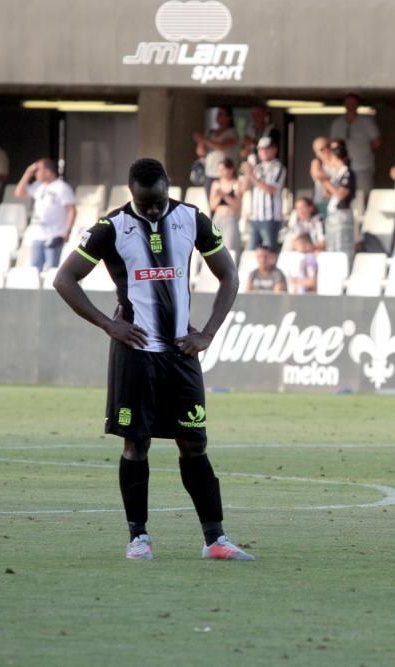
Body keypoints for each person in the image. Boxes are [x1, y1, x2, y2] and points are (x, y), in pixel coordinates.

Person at [52, 158, 254, 561]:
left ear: (167, 190)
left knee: (194, 443)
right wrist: (109, 326)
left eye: (159, 201)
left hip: (181, 354)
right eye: (145, 203)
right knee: (136, 445)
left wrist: (208, 333)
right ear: (132, 196)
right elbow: (64, 279)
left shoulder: (192, 219)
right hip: (135, 356)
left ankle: (215, 538)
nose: (153, 209)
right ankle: (138, 538)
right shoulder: (111, 228)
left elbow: (229, 275)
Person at [14, 158, 77, 273]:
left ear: (48, 171)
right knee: (34, 270)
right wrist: (28, 173)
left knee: (52, 270)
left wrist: (67, 231)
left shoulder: (62, 187)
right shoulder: (38, 186)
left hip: (55, 234)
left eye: (38, 170)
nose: (36, 173)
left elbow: (71, 210)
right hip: (38, 234)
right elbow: (19, 192)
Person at [329, 93, 381, 200]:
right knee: (343, 196)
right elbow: (332, 143)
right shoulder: (337, 123)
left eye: (353, 103)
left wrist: (365, 151)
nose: (351, 106)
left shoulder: (366, 122)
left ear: (358, 105)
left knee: (363, 196)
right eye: (348, 103)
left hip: (363, 166)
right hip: (342, 168)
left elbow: (377, 141)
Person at [240, 136, 286, 250]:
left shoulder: (278, 167)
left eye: (267, 148)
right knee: (251, 251)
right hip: (255, 216)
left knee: (270, 250)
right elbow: (244, 188)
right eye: (260, 149)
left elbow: (269, 189)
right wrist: (247, 172)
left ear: (275, 150)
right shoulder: (257, 167)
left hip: (270, 217)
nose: (263, 151)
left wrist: (250, 175)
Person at [321, 140, 357, 261]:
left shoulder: (347, 173)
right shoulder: (336, 174)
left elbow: (341, 194)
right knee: (332, 246)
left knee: (342, 246)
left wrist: (326, 182)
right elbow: (326, 194)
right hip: (332, 212)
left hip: (342, 214)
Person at [193, 106, 238, 197]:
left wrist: (204, 139)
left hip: (225, 174)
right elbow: (201, 153)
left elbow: (222, 147)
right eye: (218, 115)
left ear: (229, 117)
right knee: (210, 202)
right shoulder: (211, 133)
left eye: (221, 114)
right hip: (210, 173)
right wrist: (200, 142)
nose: (218, 117)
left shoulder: (232, 132)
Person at [208, 158, 243, 254]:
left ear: (231, 169)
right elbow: (212, 206)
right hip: (217, 217)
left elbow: (236, 204)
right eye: (220, 170)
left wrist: (223, 194)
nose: (221, 172)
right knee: (214, 245)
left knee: (229, 246)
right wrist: (219, 195)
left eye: (223, 169)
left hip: (230, 218)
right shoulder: (216, 184)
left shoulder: (236, 184)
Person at [309, 136, 332, 215]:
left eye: (328, 146)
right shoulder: (316, 162)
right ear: (316, 153)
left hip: (336, 202)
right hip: (321, 202)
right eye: (322, 149)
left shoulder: (338, 161)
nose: (326, 150)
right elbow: (317, 175)